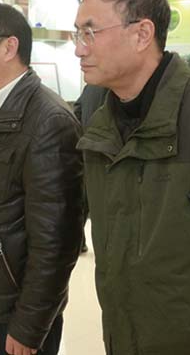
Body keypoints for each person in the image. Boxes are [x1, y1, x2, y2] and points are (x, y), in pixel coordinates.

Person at [73, 0, 190, 355]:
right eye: (77, 34)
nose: (79, 50)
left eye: (90, 33)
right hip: (126, 334)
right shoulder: (100, 121)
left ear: (142, 34)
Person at [0, 3, 84, 355]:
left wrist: (30, 325)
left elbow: (56, 242)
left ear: (9, 47)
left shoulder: (49, 121)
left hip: (14, 315)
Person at [72, 84, 107, 253]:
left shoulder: (90, 88)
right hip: (110, 152)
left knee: (85, 198)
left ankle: (79, 242)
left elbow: (77, 114)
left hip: (88, 149)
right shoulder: (117, 85)